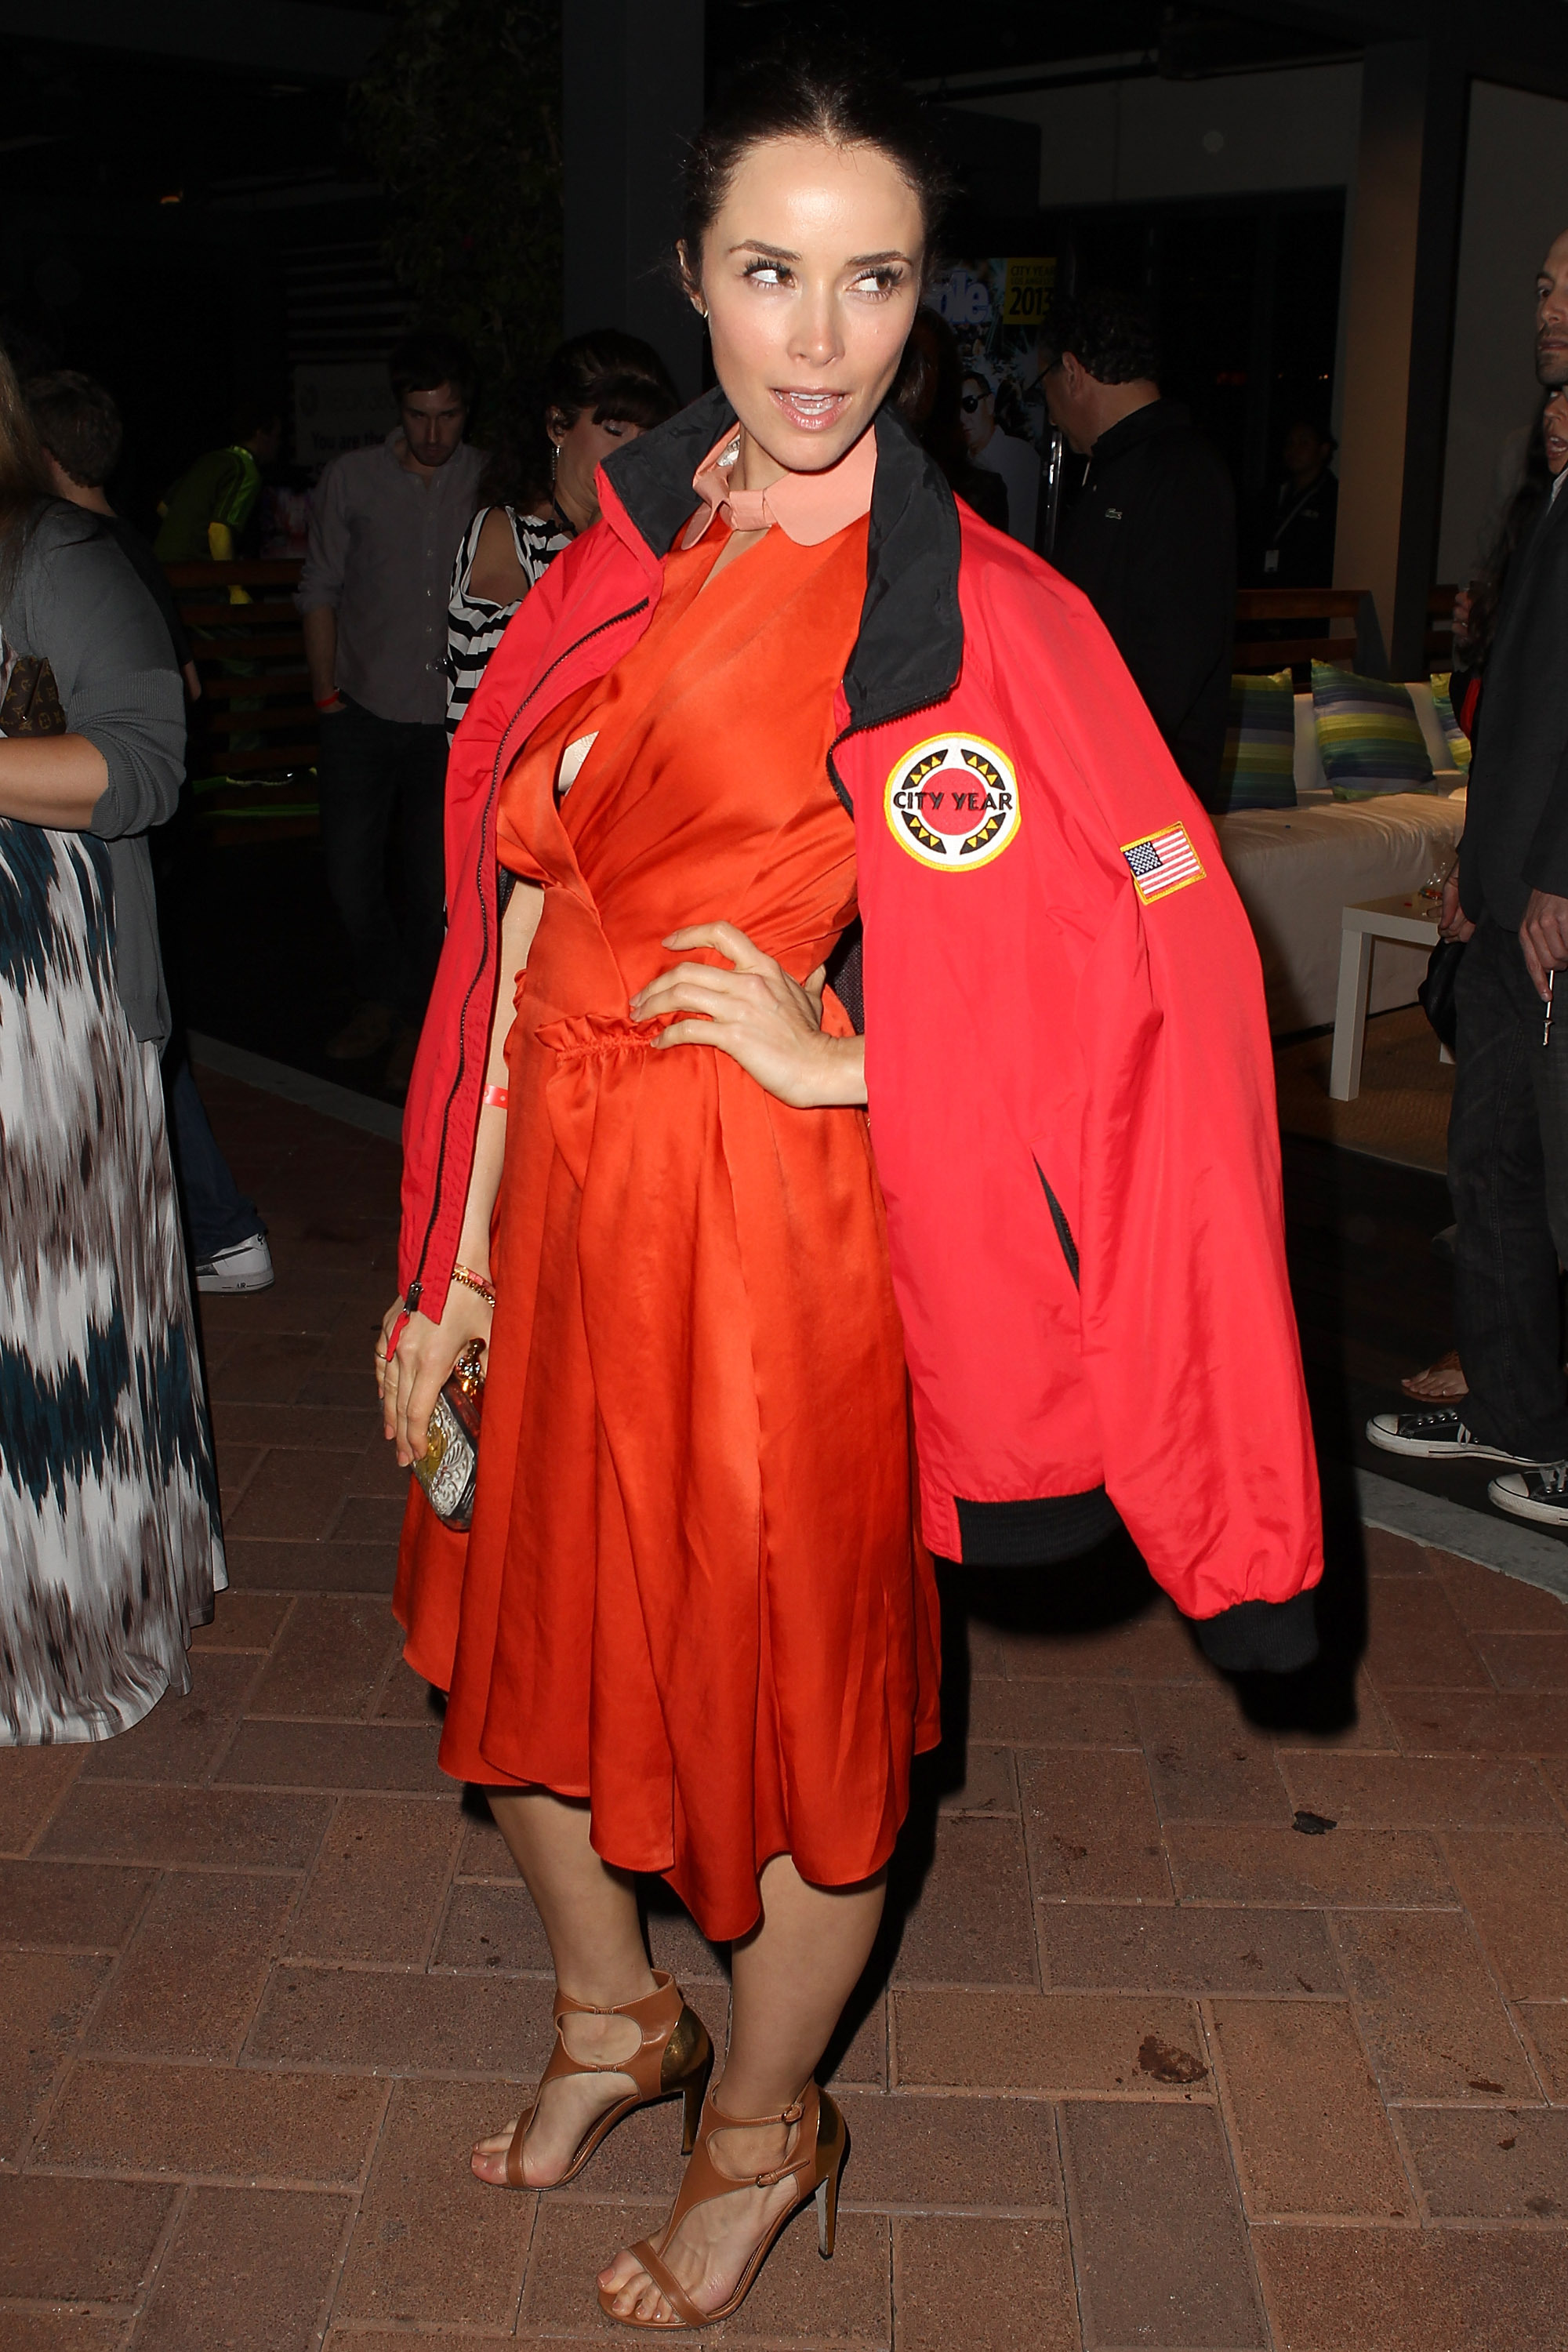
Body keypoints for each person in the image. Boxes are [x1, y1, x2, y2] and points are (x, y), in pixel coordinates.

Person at [377, 49, 1319, 2332]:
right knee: (510, 1635)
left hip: (765, 1230)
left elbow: (1162, 961)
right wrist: (451, 1258)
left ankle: (762, 2123)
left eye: (872, 280)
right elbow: (511, 918)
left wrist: (861, 1050)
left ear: (925, 299)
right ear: (693, 278)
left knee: (792, 1718)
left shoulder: (973, 602)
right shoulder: (624, 539)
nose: (818, 339)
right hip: (552, 1186)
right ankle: (614, 2013)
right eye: (772, 274)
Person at [0, 347, 226, 1742]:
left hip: (39, 1006)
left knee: (41, 1331)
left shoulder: (58, 556)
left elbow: (142, 767)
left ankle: (61, 1623)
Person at [1367, 230, 1568, 1528]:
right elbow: (1530, 704)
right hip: (1506, 896)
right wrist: (1476, 863)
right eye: (1544, 283)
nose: (1545, 304)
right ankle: (1514, 1409)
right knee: (1491, 1168)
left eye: (1566, 285)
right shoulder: (1551, 481)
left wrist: (1559, 876)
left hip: (1556, 905)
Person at [25, 368, 275, 1295]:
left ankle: (220, 1227)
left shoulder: (80, 556)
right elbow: (187, 684)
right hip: (129, 836)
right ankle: (217, 1227)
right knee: (152, 1040)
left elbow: (164, 721)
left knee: (145, 1035)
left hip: (113, 845)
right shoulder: (115, 545)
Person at [297, 330, 485, 1070]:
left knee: (436, 886)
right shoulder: (353, 478)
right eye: (419, 416)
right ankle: (381, 995)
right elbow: (320, 584)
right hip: (362, 708)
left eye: (448, 416)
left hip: (450, 722)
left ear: (468, 411)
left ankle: (416, 1017)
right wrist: (325, 692)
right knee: (349, 877)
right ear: (398, 410)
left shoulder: (490, 479)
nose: (434, 434)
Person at [1040, 291, 1236, 802]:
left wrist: (1089, 763)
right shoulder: (1116, 469)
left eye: (1044, 384)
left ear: (1071, 372)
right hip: (1106, 778)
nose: (1051, 414)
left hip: (1145, 792)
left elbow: (1174, 656)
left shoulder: (1180, 471)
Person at [446, 331, 679, 739]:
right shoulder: (507, 532)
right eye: (615, 430)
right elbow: (497, 681)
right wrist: (603, 545)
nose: (634, 453)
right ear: (558, 426)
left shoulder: (655, 539)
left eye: (648, 437)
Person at [891, 307, 1008, 532]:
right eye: (904, 362)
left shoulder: (980, 494)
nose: (911, 380)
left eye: (923, 364)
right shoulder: (862, 478)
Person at [153, 398, 282, 563]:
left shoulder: (209, 460)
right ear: (260, 434)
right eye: (277, 436)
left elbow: (163, 508)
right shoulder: (245, 470)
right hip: (192, 571)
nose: (279, 444)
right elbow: (219, 530)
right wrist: (231, 579)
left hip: (159, 565)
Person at [956, 364, 1039, 542]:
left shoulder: (1020, 457)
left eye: (970, 404)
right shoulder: (958, 464)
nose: (962, 418)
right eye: (956, 410)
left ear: (990, 403)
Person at [1254, 418, 1338, 587]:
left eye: (1304, 443)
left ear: (1323, 450)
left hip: (1308, 593)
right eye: (1290, 443)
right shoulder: (1272, 493)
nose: (1294, 450)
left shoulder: (1332, 497)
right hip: (1267, 590)